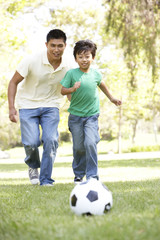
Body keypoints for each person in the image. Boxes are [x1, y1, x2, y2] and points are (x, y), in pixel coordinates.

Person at [8, 29, 71, 186]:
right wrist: (11, 108)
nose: (56, 50)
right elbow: (13, 82)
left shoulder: (68, 67)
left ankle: (46, 179)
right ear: (46, 45)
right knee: (30, 143)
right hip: (28, 105)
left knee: (51, 140)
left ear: (65, 46)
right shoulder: (31, 60)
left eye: (60, 46)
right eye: (53, 46)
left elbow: (69, 92)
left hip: (51, 106)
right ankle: (33, 166)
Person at [60, 39, 122, 183]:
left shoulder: (96, 74)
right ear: (75, 58)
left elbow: (103, 86)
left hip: (91, 116)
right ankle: (79, 174)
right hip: (75, 116)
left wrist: (112, 98)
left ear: (92, 58)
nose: (84, 60)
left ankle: (92, 175)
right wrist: (72, 89)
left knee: (89, 144)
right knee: (79, 147)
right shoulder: (71, 74)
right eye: (80, 57)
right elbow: (63, 90)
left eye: (87, 56)